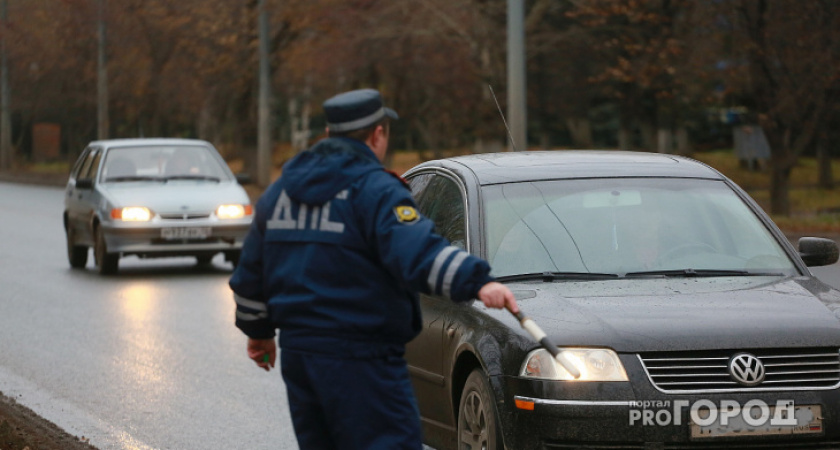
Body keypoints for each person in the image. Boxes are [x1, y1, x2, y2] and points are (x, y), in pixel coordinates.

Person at [229, 88, 519, 449]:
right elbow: (417, 251)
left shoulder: (281, 193)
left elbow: (250, 275)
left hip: (301, 356)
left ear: (330, 134)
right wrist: (477, 282)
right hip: (363, 358)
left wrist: (258, 334)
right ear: (377, 135)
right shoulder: (376, 191)